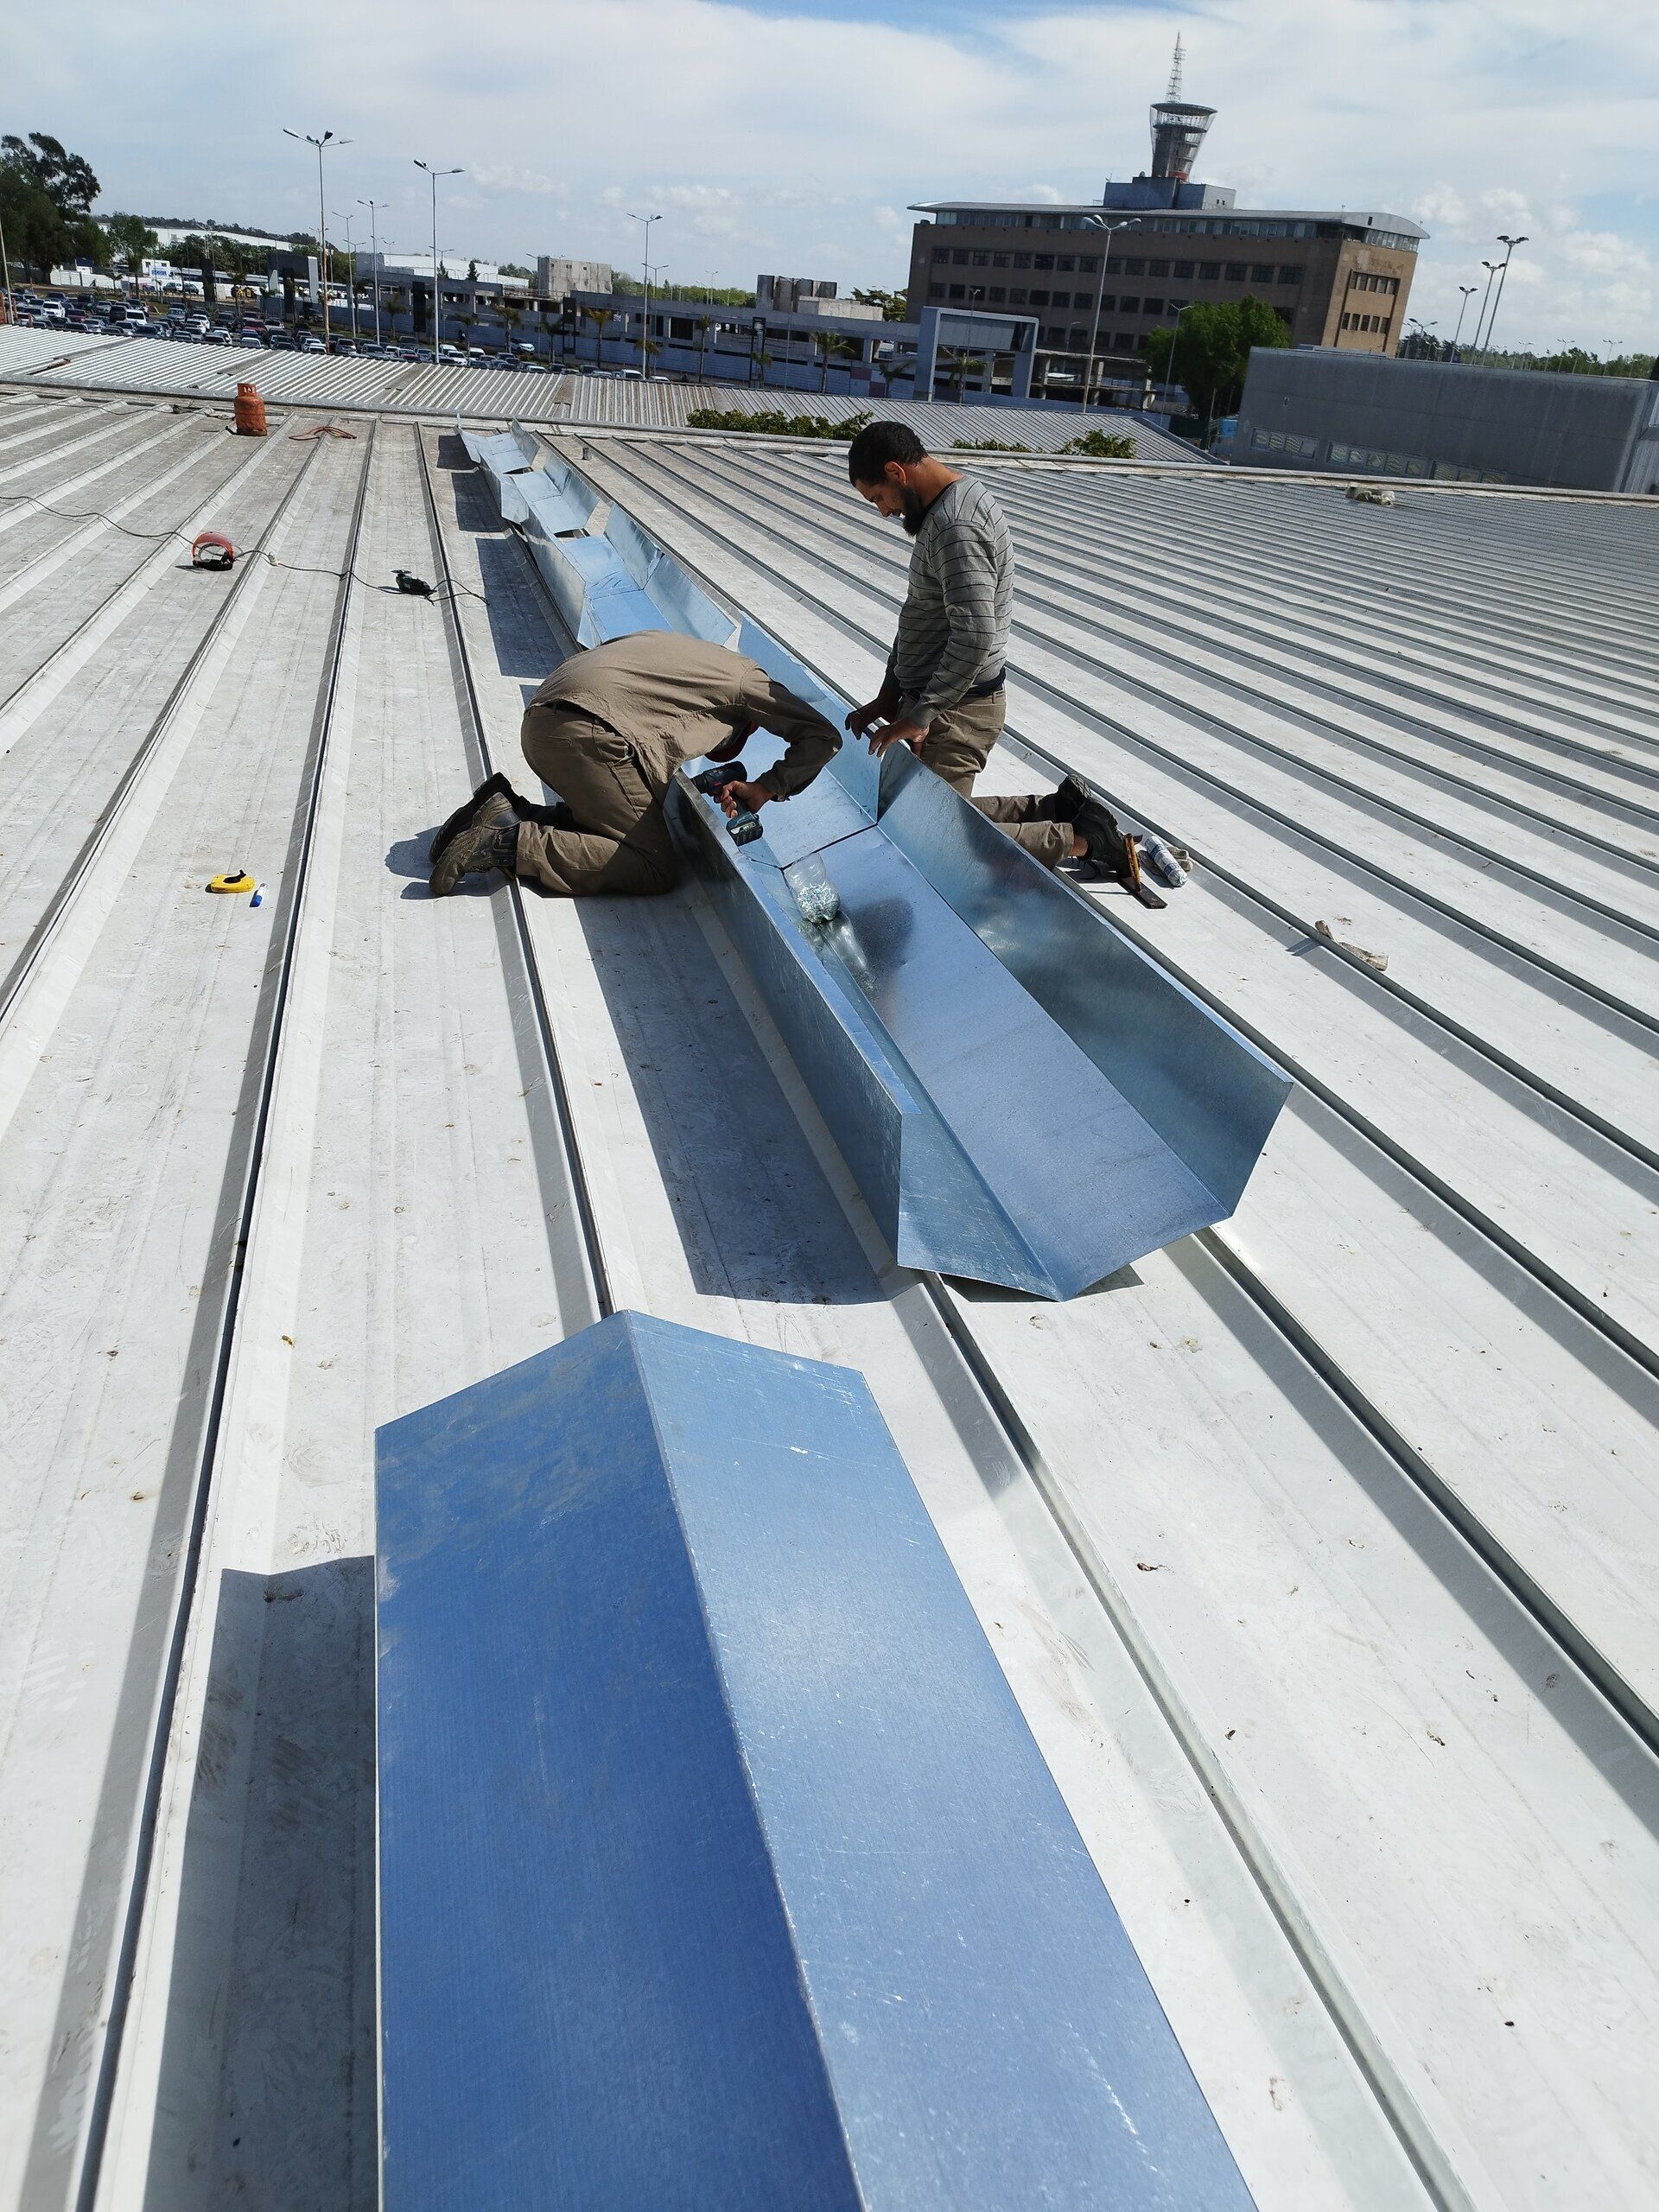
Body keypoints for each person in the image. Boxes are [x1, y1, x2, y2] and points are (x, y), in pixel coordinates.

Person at [842, 420, 1131, 883]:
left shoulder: (956, 525)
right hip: (941, 700)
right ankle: (1058, 809)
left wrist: (921, 715)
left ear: (897, 472)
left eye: (878, 498)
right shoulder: (948, 507)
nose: (883, 512)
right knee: (932, 810)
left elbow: (974, 636)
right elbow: (922, 616)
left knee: (936, 837)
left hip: (959, 707)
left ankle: (1085, 841)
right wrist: (889, 694)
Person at [429, 629, 841, 897]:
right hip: (584, 737)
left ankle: (508, 811)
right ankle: (503, 843)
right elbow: (824, 736)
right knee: (652, 865)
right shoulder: (747, 684)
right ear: (748, 721)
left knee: (606, 824)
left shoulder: (685, 650)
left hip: (540, 720)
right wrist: (767, 787)